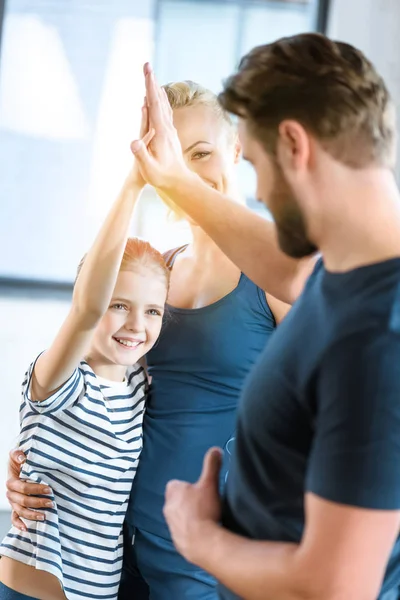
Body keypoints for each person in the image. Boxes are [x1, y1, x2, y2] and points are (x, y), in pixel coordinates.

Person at [129, 34, 400, 600]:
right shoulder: (348, 277)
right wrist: (173, 176)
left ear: (294, 146)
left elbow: (335, 587)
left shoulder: (378, 333)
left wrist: (200, 539)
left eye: (251, 162)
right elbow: (288, 269)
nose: (257, 191)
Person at [5, 81, 289, 599]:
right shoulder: (158, 272)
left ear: (237, 149)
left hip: (206, 554)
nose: (183, 172)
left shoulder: (275, 274)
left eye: (200, 153)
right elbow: (94, 377)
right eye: (171, 156)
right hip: (115, 547)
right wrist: (37, 457)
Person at [0, 112, 170, 600]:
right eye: (119, 305)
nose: (137, 325)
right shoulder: (58, 380)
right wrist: (135, 182)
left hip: (99, 591)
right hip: (33, 590)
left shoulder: (140, 387)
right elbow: (86, 308)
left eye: (153, 310)